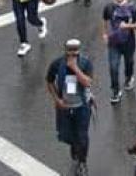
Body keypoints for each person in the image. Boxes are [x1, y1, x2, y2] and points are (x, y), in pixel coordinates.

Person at [46, 38, 93, 176]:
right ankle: (75, 152)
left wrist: (75, 68)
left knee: (82, 135)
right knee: (68, 135)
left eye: (75, 53)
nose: (72, 56)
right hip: (65, 107)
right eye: (69, 53)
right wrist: (57, 99)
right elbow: (49, 81)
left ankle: (82, 162)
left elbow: (87, 82)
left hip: (82, 106)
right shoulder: (56, 64)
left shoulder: (85, 63)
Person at [102, 0, 136, 105]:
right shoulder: (109, 8)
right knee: (113, 67)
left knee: (129, 61)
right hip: (113, 42)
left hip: (128, 42)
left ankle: (129, 77)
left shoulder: (133, 8)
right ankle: (115, 91)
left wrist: (127, 26)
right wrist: (104, 34)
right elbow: (104, 21)